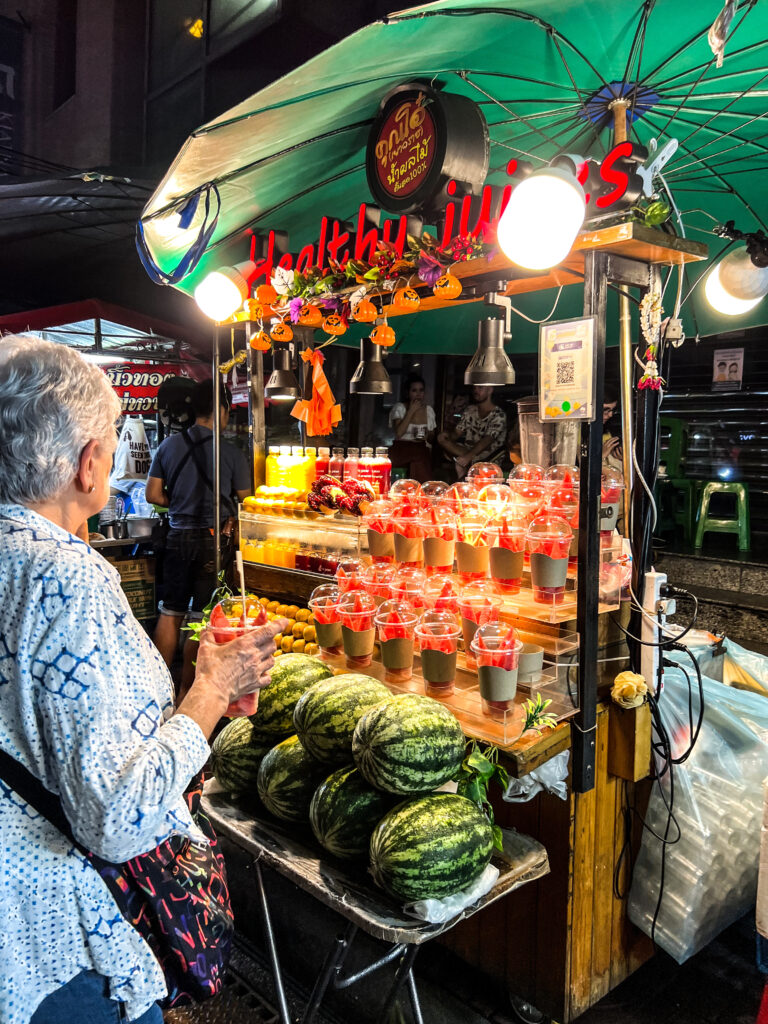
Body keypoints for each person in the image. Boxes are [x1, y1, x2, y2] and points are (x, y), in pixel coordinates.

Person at [0, 335, 283, 1024]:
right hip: (56, 939)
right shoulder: (66, 574)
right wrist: (212, 690)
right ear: (89, 462)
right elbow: (115, 818)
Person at [146, 379, 251, 696]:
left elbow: (153, 495)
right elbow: (246, 500)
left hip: (177, 536)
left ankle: (158, 691)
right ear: (221, 410)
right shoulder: (231, 453)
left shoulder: (168, 446)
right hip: (211, 541)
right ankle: (185, 692)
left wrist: (177, 504)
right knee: (201, 617)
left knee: (170, 611)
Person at [437, 385, 507, 479]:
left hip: (489, 458)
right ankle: (465, 466)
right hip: (468, 451)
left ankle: (467, 464)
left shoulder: (499, 415)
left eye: (480, 388)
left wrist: (468, 457)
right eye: (475, 388)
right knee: (441, 438)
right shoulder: (470, 410)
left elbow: (488, 440)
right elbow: (457, 432)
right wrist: (447, 437)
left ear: (490, 390)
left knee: (463, 462)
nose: (476, 390)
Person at [388, 374, 437, 482]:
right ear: (408, 392)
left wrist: (427, 436)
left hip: (420, 447)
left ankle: (422, 490)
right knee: (418, 456)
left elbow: (432, 437)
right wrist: (411, 411)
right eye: (414, 390)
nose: (418, 394)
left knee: (421, 455)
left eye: (421, 390)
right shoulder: (400, 408)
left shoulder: (428, 410)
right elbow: (399, 433)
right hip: (401, 448)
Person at [602, 385, 623, 472]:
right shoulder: (577, 433)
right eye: (606, 410)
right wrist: (601, 456)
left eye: (613, 410)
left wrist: (623, 460)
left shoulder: (613, 430)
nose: (610, 415)